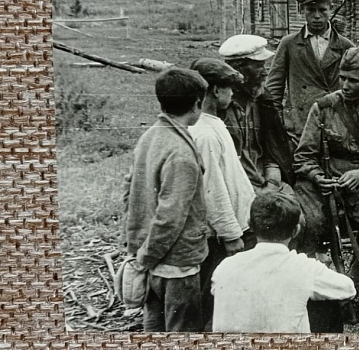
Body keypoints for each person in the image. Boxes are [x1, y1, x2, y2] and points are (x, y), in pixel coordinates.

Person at [292, 47, 359, 283]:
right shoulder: (323, 108)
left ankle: (354, 285)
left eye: (353, 80)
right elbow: (303, 156)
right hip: (325, 179)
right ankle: (310, 283)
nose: (345, 85)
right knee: (308, 224)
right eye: (342, 78)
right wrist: (316, 176)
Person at [124, 68, 210, 332]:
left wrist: (140, 251)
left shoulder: (150, 136)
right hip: (176, 262)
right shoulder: (181, 154)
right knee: (182, 330)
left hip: (149, 255)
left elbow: (129, 192)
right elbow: (170, 216)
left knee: (154, 324)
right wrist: (147, 258)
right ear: (197, 105)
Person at [211, 191, 356, 332]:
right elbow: (348, 289)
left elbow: (215, 289)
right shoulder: (303, 267)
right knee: (326, 299)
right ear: (296, 231)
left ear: (250, 225)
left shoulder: (226, 265)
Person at [187, 58, 257, 330]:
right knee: (213, 298)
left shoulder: (214, 124)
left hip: (237, 226)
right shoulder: (203, 133)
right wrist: (230, 233)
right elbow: (212, 188)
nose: (232, 94)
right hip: (221, 236)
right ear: (215, 90)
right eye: (228, 88)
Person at [265, 0, 355, 150]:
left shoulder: (345, 46)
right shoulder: (289, 44)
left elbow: (356, 89)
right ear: (301, 11)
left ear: (331, 9)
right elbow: (273, 90)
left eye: (322, 10)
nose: (316, 16)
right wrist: (279, 123)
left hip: (335, 124)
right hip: (299, 127)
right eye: (310, 10)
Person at [219, 34, 295, 194]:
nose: (265, 73)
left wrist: (273, 183)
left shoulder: (263, 101)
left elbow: (272, 151)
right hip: (235, 185)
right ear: (239, 70)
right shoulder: (221, 108)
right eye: (259, 66)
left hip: (265, 179)